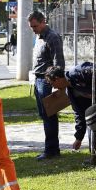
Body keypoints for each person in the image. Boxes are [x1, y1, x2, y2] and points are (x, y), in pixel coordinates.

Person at [45, 62, 96, 164]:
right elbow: (79, 114)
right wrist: (78, 138)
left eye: (52, 83)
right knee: (92, 122)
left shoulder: (77, 72)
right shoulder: (70, 92)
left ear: (57, 78)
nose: (54, 88)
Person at [28, 10, 65, 160]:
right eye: (31, 27)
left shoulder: (52, 37)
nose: (33, 29)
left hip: (47, 81)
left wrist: (57, 83)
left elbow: (58, 62)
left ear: (43, 21)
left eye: (35, 26)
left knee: (49, 114)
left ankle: (51, 150)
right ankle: (50, 148)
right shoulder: (39, 36)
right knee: (44, 114)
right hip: (38, 79)